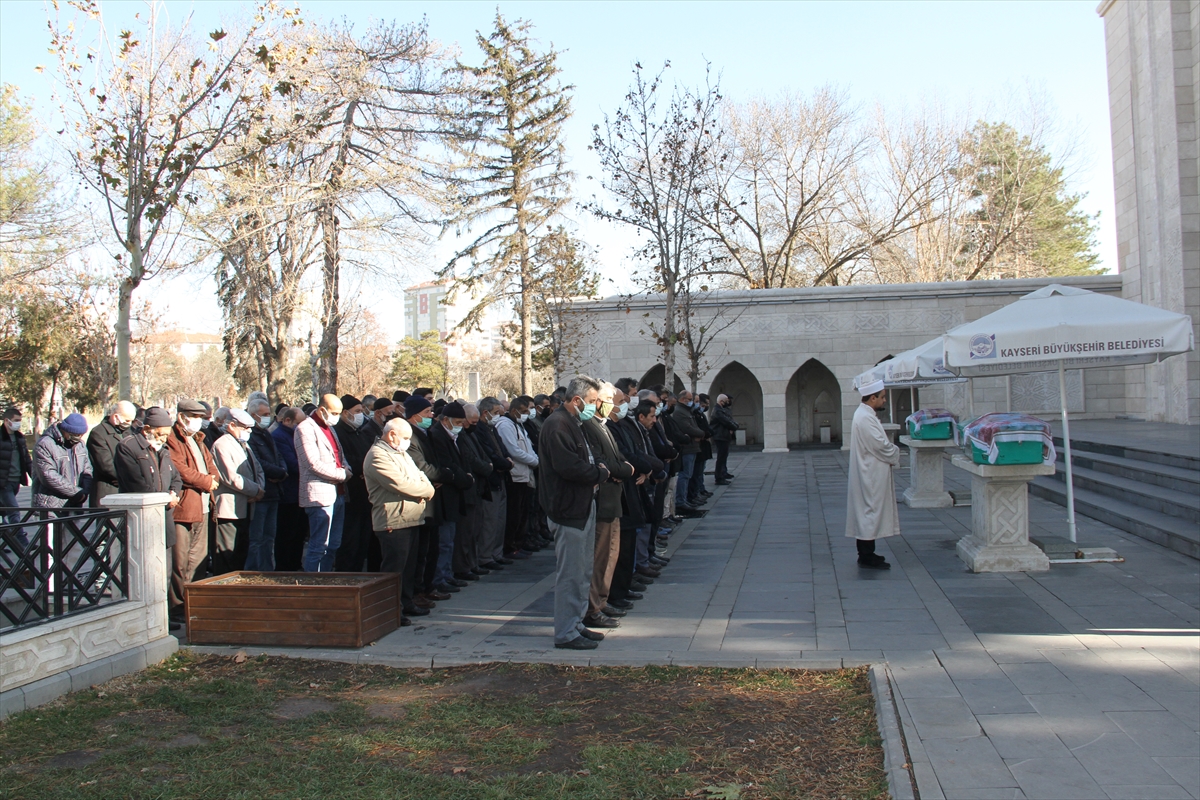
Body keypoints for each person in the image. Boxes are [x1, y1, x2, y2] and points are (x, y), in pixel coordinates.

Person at [539, 375, 610, 651]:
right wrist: (599, 473)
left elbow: (591, 455)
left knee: (583, 570)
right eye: (592, 401)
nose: (595, 406)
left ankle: (577, 622)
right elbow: (569, 467)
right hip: (567, 508)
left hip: (582, 504)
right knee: (570, 573)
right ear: (577, 400)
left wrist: (599, 470)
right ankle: (566, 632)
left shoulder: (575, 422)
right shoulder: (557, 424)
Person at [363, 418, 435, 626]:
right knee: (394, 569)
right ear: (392, 434)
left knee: (409, 567)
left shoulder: (400, 453)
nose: (407, 442)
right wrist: (428, 490)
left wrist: (424, 486)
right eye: (404, 438)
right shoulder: (377, 455)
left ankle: (406, 601)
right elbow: (401, 484)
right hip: (393, 520)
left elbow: (420, 475)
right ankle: (390, 609)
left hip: (411, 517)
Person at [581, 383, 635, 630]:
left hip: (614, 500)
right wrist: (623, 470)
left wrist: (623, 469)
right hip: (602, 501)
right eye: (608, 399)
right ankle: (592, 608)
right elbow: (604, 464)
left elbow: (619, 460)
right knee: (600, 557)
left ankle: (602, 601)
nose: (613, 403)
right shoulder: (590, 427)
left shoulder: (605, 427)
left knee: (611, 555)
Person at [166, 399, 218, 621]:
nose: (200, 422)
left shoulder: (198, 439)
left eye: (202, 418)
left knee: (198, 559)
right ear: (182, 417)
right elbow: (180, 470)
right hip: (185, 508)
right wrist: (206, 482)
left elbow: (211, 464)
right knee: (180, 561)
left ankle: (194, 602)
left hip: (203, 507)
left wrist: (212, 479)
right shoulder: (172, 439)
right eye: (196, 417)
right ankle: (177, 607)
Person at [404, 395, 453, 608]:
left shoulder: (425, 433)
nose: (431, 415)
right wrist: (442, 475)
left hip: (433, 498)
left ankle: (426, 587)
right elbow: (421, 467)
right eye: (426, 413)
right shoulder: (410, 438)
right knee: (420, 551)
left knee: (431, 548)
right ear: (414, 416)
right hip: (420, 501)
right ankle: (416, 591)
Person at [846, 380, 900, 570]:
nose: (884, 400)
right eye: (882, 397)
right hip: (869, 472)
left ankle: (867, 552)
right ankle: (866, 555)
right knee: (869, 510)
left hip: (870, 470)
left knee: (868, 510)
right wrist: (895, 451)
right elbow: (878, 444)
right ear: (872, 398)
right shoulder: (864, 417)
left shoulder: (865, 414)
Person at [295, 394, 351, 572]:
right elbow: (311, 462)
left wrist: (346, 469)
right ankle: (313, 586)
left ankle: (327, 582)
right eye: (334, 413)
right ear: (321, 410)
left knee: (334, 544)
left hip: (338, 493)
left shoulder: (329, 428)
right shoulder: (305, 428)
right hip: (320, 495)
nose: (336, 417)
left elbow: (338, 454)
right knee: (319, 545)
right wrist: (341, 474)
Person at [428, 402, 475, 593]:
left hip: (455, 493)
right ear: (445, 420)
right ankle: (439, 578)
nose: (460, 426)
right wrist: (463, 478)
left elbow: (463, 460)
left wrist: (466, 476)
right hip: (444, 496)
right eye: (456, 422)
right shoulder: (437, 436)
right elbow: (446, 466)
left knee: (450, 540)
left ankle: (447, 575)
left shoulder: (456, 436)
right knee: (444, 541)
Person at [211, 409, 265, 574]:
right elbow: (230, 477)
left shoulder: (243, 444)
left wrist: (259, 489)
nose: (249, 431)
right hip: (228, 511)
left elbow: (258, 469)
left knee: (240, 555)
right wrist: (255, 490)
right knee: (227, 558)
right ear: (232, 425)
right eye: (245, 427)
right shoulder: (221, 445)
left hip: (245, 508)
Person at [245, 397, 288, 571]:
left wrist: (282, 472)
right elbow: (258, 461)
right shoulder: (250, 436)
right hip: (261, 493)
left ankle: (268, 572)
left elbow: (279, 457)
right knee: (256, 538)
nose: (267, 417)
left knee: (269, 537)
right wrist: (277, 472)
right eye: (264, 414)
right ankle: (253, 573)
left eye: (268, 414)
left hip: (274, 493)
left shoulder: (266, 433)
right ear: (253, 415)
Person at [494, 395, 538, 560]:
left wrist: (535, 460)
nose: (527, 414)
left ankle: (518, 543)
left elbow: (527, 446)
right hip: (515, 475)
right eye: (523, 411)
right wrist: (534, 461)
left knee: (522, 512)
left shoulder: (518, 425)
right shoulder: (505, 425)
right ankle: (510, 546)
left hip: (525, 474)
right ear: (513, 411)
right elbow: (514, 450)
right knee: (514, 513)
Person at [334, 395, 375, 572]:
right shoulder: (339, 433)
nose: (361, 415)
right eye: (357, 411)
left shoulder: (360, 431)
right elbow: (350, 461)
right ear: (345, 413)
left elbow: (371, 457)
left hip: (365, 494)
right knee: (349, 542)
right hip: (351, 495)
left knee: (362, 542)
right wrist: (363, 469)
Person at [270, 407, 308, 571]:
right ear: (287, 421)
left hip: (300, 493)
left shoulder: (296, 435)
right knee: (286, 535)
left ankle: (295, 564)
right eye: (299, 423)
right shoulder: (279, 437)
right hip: (288, 494)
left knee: (298, 534)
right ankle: (284, 568)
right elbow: (292, 464)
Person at [32, 413, 93, 509]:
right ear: (64, 430)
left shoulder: (80, 445)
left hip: (74, 504)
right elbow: (48, 475)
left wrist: (85, 491)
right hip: (50, 506)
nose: (78, 437)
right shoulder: (45, 445)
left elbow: (87, 469)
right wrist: (75, 492)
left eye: (80, 435)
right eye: (74, 435)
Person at [1, 407, 34, 573]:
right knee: (14, 512)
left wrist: (33, 475)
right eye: (16, 420)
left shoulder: (20, 438)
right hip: (3, 484)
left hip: (15, 482)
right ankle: (23, 544)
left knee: (3, 515)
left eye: (20, 420)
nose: (18, 424)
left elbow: (26, 460)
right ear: (7, 421)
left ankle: (5, 538)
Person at [87, 400, 137, 507]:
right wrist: (126, 477)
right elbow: (105, 465)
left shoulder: (130, 432)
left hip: (127, 491)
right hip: (108, 492)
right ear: (115, 417)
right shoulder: (98, 433)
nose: (129, 424)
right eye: (127, 420)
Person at [709, 394, 739, 484]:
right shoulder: (718, 411)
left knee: (723, 457)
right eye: (726, 400)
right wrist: (735, 426)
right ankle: (719, 477)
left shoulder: (721, 410)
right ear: (721, 401)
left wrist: (734, 425)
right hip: (720, 436)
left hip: (723, 436)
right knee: (721, 458)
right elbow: (726, 421)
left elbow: (729, 419)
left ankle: (722, 474)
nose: (728, 402)